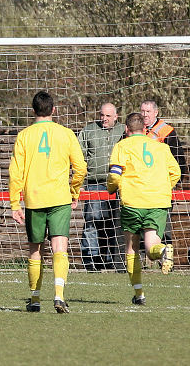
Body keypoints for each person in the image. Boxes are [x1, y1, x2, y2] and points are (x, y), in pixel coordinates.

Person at [9, 91, 87, 314]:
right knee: (59, 247)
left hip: (34, 199)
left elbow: (16, 173)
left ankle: (34, 299)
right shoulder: (66, 134)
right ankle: (59, 296)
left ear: (33, 111)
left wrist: (15, 203)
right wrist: (74, 191)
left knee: (35, 249)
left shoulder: (24, 136)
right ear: (54, 110)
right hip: (60, 198)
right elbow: (80, 168)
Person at [107, 113, 179, 305]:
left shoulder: (122, 146)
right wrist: (163, 187)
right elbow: (176, 172)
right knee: (150, 248)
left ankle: (139, 294)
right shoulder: (161, 147)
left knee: (131, 248)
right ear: (145, 130)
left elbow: (114, 175)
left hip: (133, 202)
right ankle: (163, 250)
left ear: (126, 130)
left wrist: (112, 187)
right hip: (157, 202)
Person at [77, 103, 125, 271]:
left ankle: (111, 258)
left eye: (108, 116)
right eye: (102, 115)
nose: (104, 119)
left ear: (116, 117)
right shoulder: (88, 131)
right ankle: (91, 258)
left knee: (114, 223)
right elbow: (78, 158)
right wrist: (80, 184)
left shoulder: (124, 131)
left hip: (119, 185)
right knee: (92, 221)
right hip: (94, 184)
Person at [140, 100, 186, 247]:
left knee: (163, 225)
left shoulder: (166, 131)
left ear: (156, 112)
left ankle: (166, 259)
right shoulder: (134, 129)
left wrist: (173, 184)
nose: (145, 115)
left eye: (148, 112)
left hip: (161, 188)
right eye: (142, 111)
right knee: (140, 226)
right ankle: (142, 263)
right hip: (140, 187)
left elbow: (179, 161)